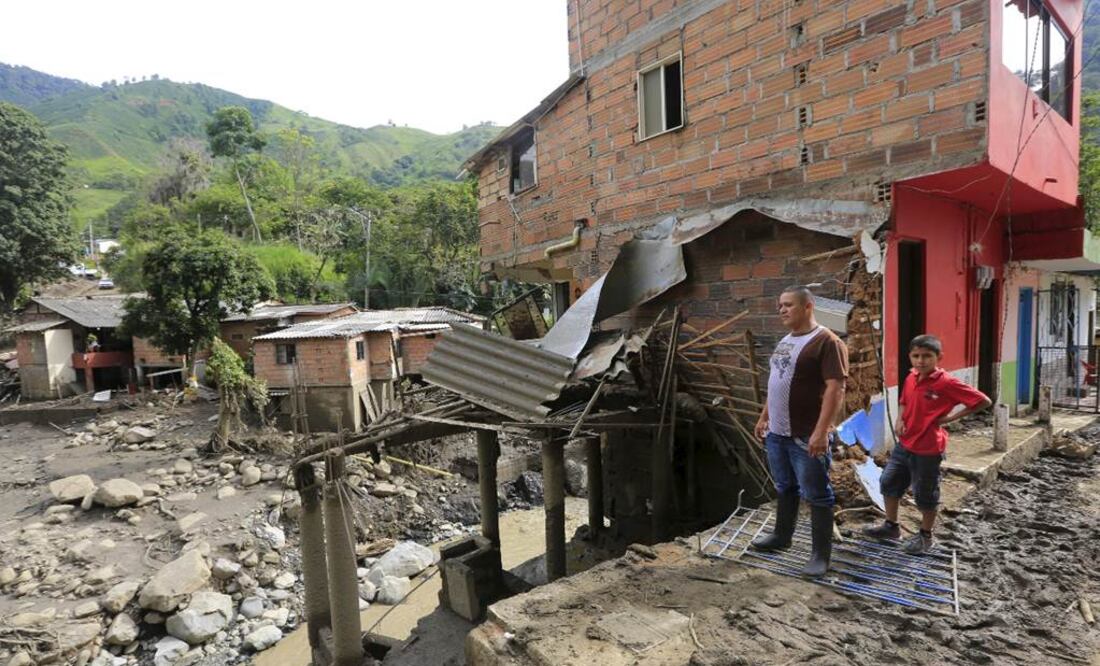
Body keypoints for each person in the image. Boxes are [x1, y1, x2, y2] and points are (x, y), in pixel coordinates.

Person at [863, 334, 991, 554]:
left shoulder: (947, 382)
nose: (921, 361)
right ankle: (891, 527)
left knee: (925, 494)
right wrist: (899, 419)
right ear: (910, 357)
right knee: (889, 482)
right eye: (916, 356)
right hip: (905, 444)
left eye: (927, 356)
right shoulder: (911, 377)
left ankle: (925, 536)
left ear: (939, 357)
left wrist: (949, 419)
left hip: (928, 449)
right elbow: (904, 401)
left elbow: (983, 401)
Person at [752, 286, 849, 576]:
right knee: (784, 486)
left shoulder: (827, 342)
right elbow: (777, 381)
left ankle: (820, 556)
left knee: (817, 494)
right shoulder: (785, 341)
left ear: (808, 306)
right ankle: (782, 536)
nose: (782, 310)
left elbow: (836, 388)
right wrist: (764, 417)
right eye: (780, 305)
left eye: (788, 305)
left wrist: (821, 432)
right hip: (777, 433)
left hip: (806, 435)